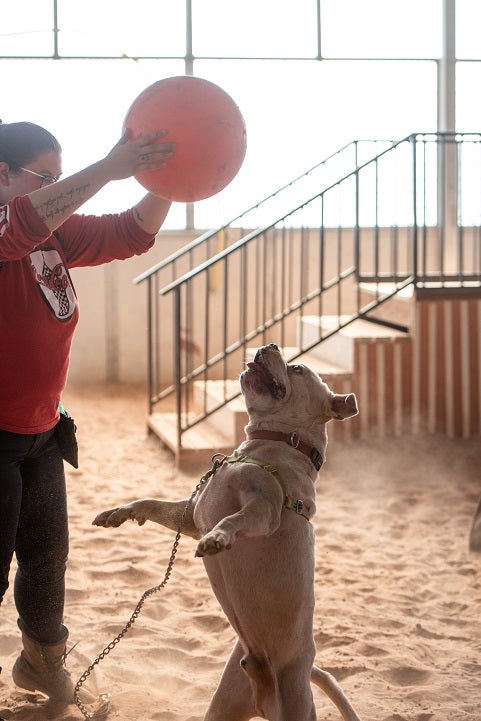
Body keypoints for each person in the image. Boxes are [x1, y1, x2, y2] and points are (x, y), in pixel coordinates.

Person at [0, 120, 175, 704]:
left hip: (41, 431)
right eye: (45, 177)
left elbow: (130, 233)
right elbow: (20, 223)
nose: (58, 188)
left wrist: (175, 178)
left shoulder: (53, 236)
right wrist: (107, 167)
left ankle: (41, 662)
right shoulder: (9, 225)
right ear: (1, 175)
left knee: (47, 559)